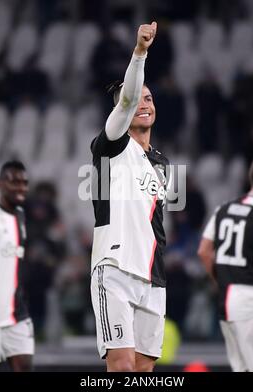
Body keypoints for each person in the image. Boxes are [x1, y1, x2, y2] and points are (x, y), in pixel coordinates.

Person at [90, 21, 170, 372]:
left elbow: (156, 225)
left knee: (144, 371)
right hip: (115, 269)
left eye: (149, 98)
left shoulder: (161, 163)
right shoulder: (112, 145)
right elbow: (125, 99)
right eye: (138, 99)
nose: (143, 103)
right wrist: (140, 52)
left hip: (153, 277)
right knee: (121, 367)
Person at [198, 155, 253, 372]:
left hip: (227, 302)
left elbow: (204, 251)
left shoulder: (224, 209)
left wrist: (222, 281)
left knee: (242, 368)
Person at [0, 161, 34, 372]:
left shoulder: (20, 215)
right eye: (15, 182)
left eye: (24, 183)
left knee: (24, 366)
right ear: (1, 183)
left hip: (17, 314)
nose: (21, 188)